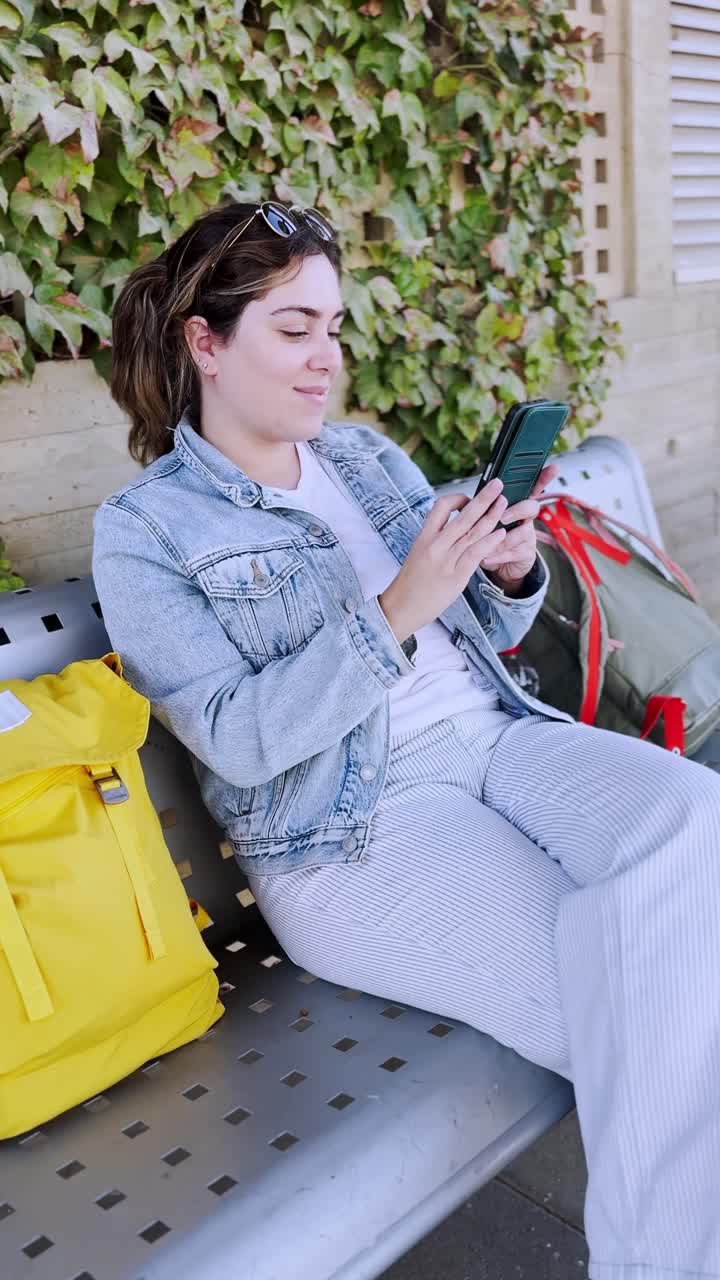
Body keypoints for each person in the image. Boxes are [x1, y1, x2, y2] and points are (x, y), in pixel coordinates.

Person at [92, 199, 720, 1280]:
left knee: (693, 815)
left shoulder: (366, 457)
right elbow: (238, 738)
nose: (322, 358)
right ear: (206, 340)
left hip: (500, 742)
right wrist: (391, 612)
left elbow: (483, 630)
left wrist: (511, 569)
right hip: (358, 828)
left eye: (333, 328)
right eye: (293, 329)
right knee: (658, 1006)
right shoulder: (149, 528)